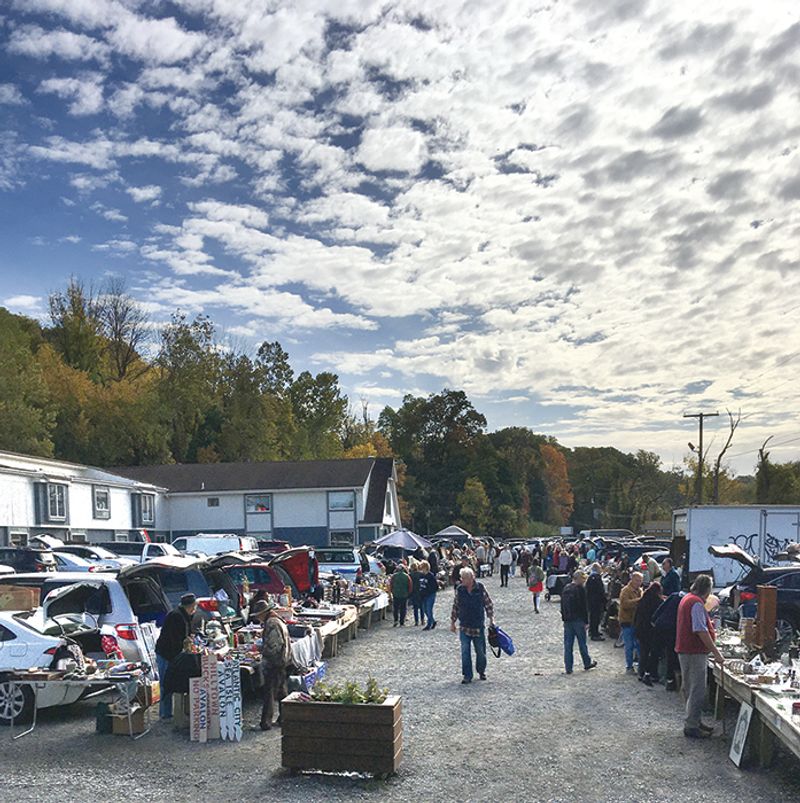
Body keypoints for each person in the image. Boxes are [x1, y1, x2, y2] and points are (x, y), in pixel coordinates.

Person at [676, 575, 724, 738]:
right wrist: (716, 652)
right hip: (693, 651)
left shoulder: (688, 598)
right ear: (708, 590)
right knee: (697, 689)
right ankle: (691, 725)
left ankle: (695, 720)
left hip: (687, 650)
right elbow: (700, 630)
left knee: (690, 687)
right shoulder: (695, 603)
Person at [155, 592, 198, 719]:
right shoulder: (176, 616)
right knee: (165, 683)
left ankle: (168, 712)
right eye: (194, 606)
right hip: (165, 653)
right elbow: (175, 639)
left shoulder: (185, 615)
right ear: (191, 606)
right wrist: (183, 650)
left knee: (168, 682)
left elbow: (187, 633)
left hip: (173, 653)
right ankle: (165, 713)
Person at [450, 567, 494, 683]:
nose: (462, 580)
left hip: (477, 625)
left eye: (464, 578)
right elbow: (456, 606)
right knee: (465, 651)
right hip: (464, 625)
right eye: (462, 578)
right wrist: (453, 622)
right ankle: (467, 675)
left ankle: (481, 670)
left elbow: (488, 603)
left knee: (480, 651)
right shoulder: (460, 590)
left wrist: (491, 619)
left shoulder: (480, 588)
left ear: (471, 578)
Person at [252, 599, 291, 730]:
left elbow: (274, 645)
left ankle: (266, 722)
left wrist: (261, 650)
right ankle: (284, 718)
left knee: (269, 693)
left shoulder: (272, 623)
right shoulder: (276, 620)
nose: (257, 618)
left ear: (263, 613)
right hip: (282, 660)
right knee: (281, 692)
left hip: (275, 662)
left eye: (258, 615)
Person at [560, 570, 597, 674]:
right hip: (578, 620)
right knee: (582, 644)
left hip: (568, 621)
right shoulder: (580, 589)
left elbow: (562, 605)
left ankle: (568, 667)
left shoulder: (566, 588)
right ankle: (587, 663)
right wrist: (586, 621)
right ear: (579, 578)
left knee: (568, 645)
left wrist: (564, 618)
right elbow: (583, 606)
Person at [652, 590, 685, 691]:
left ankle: (651, 674)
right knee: (671, 654)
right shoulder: (687, 601)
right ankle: (670, 680)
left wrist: (654, 619)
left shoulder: (674, 595)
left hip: (660, 625)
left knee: (656, 650)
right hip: (671, 629)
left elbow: (661, 607)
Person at [634, 581, 663, 686]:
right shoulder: (658, 602)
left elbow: (637, 614)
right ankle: (651, 673)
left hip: (641, 629)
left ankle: (641, 672)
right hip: (651, 630)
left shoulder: (643, 599)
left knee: (643, 652)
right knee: (652, 653)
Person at [619, 571, 643, 673]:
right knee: (629, 645)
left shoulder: (640, 591)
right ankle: (629, 666)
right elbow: (625, 604)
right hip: (627, 621)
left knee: (638, 645)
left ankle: (641, 666)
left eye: (640, 581)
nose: (639, 583)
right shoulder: (625, 591)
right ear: (632, 580)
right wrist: (639, 600)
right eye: (637, 580)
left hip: (636, 622)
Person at [586, 563, 607, 641]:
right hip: (596, 601)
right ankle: (595, 634)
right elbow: (600, 590)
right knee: (596, 617)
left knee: (592, 617)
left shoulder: (590, 577)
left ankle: (592, 631)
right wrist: (604, 599)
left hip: (591, 600)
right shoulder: (596, 577)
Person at [419, 560, 438, 630]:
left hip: (430, 595)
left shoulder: (431, 576)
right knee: (425, 610)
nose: (421, 569)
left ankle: (429, 624)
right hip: (423, 595)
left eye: (422, 567)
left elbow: (435, 586)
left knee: (429, 609)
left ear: (426, 567)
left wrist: (429, 591)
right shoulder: (421, 575)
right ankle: (433, 621)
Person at [410, 561, 425, 627]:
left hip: (414, 592)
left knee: (415, 608)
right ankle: (422, 620)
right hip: (420, 592)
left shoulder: (410, 575)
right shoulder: (421, 574)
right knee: (422, 607)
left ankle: (416, 621)